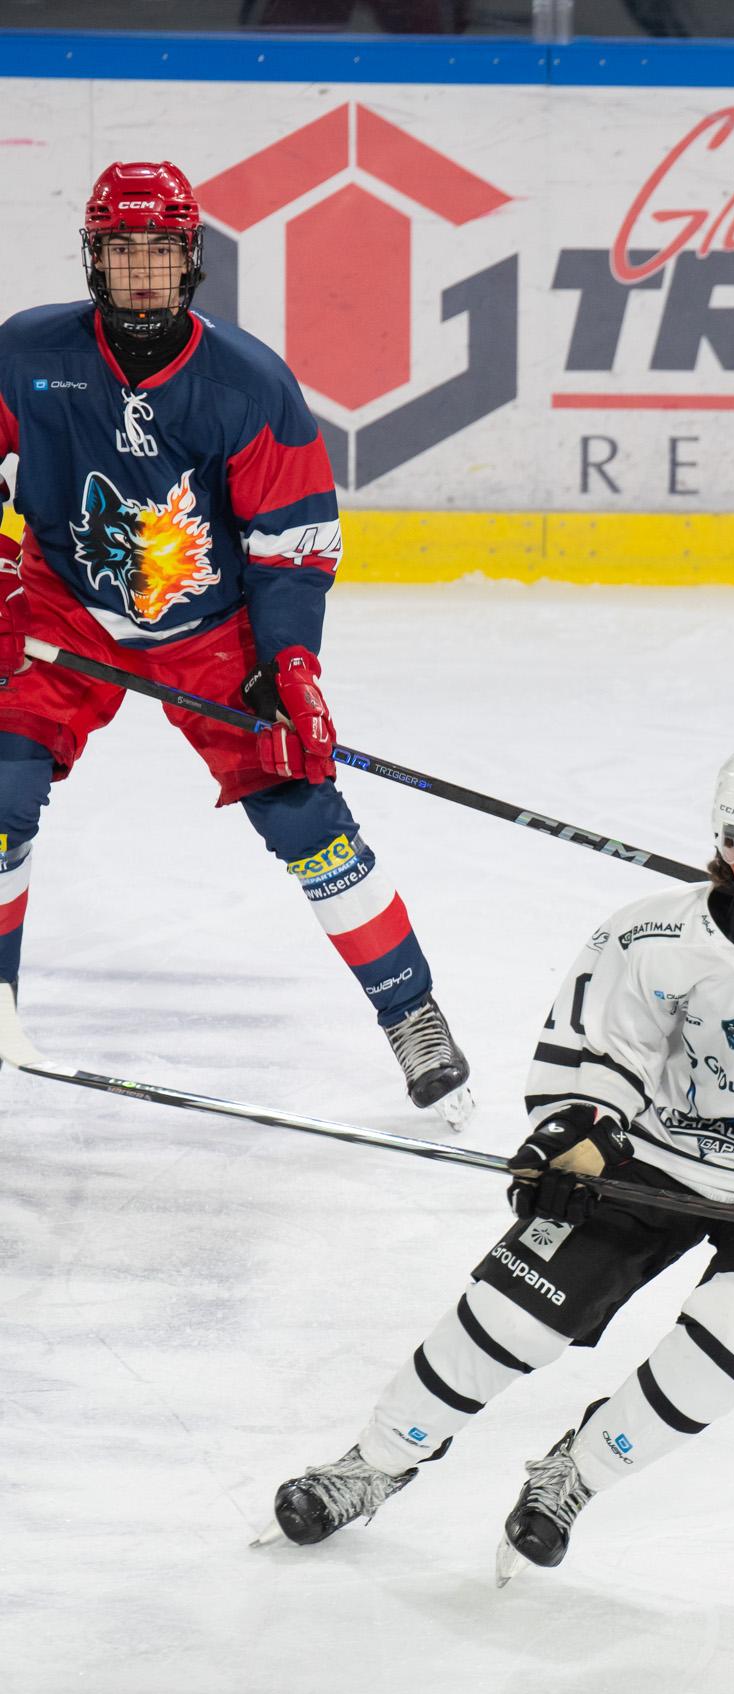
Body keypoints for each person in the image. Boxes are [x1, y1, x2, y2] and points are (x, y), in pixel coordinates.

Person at [266, 737, 734, 1579]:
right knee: (512, 1315)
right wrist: (575, 1133)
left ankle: (574, 1475)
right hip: (657, 1159)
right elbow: (595, 1062)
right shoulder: (649, 937)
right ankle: (372, 1464)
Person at [0, 162, 472, 1126]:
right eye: (123, 253)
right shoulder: (24, 353)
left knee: (304, 815)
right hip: (59, 609)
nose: (141, 274)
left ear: (192, 263)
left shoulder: (247, 384)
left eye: (160, 254)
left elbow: (292, 544)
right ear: (93, 259)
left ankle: (412, 1013)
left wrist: (290, 663)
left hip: (211, 631)